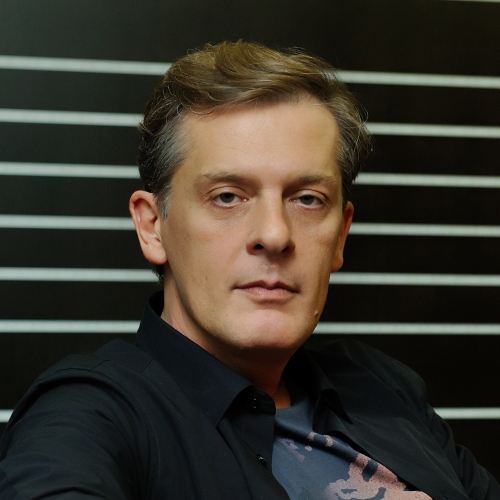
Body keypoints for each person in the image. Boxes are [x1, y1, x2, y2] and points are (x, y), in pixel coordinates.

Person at [0, 41, 497, 500]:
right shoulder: (92, 414)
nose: (275, 235)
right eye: (227, 197)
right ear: (152, 227)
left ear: (341, 234)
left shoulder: (383, 386)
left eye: (307, 199)